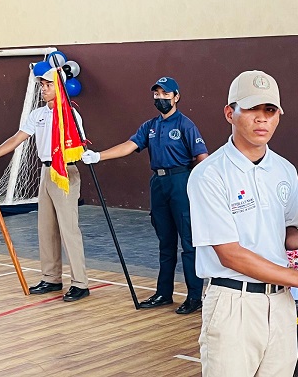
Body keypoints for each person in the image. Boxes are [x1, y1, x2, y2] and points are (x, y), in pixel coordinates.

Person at [186, 70, 298, 377]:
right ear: (230, 113)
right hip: (233, 304)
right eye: (252, 109)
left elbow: (289, 232)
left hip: (280, 303)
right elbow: (229, 253)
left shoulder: (284, 169)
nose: (262, 119)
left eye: (269, 111)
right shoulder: (209, 174)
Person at [81, 77, 208, 314]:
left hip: (180, 181)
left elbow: (202, 158)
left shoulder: (185, 125)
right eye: (157, 94)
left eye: (165, 94)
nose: (160, 98)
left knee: (189, 242)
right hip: (158, 184)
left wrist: (203, 188)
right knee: (165, 242)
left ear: (176, 97)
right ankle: (163, 293)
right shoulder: (150, 126)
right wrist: (98, 156)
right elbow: (129, 145)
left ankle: (194, 296)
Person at [0, 68, 89, 301]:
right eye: (42, 85)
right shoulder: (37, 114)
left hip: (65, 171)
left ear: (59, 87)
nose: (43, 89)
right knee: (46, 227)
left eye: (47, 85)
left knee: (69, 229)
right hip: (46, 171)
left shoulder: (70, 115)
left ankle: (80, 282)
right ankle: (51, 277)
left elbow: (79, 146)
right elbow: (17, 138)